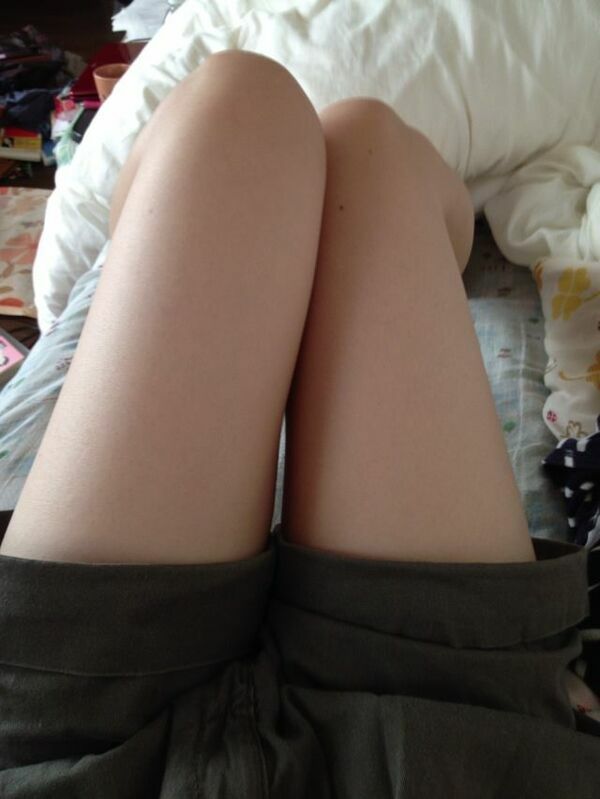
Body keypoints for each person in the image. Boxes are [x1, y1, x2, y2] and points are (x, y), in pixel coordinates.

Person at [0, 50, 599, 796]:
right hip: (447, 751)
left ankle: (280, 268)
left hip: (65, 753)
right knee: (365, 143)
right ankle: (384, 268)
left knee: (243, 104)